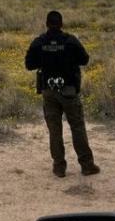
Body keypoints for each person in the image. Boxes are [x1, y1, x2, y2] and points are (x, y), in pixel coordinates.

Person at [25, 10, 100, 178]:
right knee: (77, 127)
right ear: (61, 24)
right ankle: (87, 165)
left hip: (48, 91)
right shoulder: (70, 41)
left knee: (55, 130)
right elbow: (85, 60)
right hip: (69, 91)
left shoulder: (39, 42)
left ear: (46, 24)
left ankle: (59, 167)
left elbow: (29, 64)